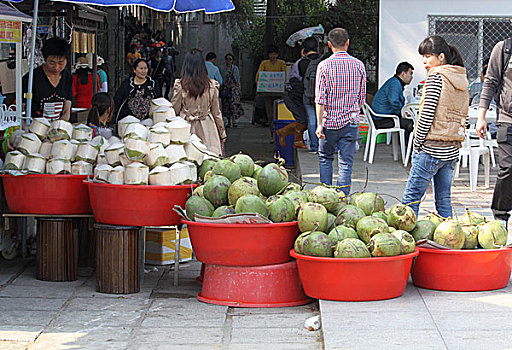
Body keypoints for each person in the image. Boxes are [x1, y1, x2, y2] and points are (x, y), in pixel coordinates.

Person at [402, 35, 469, 218]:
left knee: (410, 200)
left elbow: (426, 116)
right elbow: (464, 115)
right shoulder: (461, 79)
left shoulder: (436, 78)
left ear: (441, 57)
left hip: (431, 149)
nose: (424, 62)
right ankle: (448, 242)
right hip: (452, 150)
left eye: (428, 56)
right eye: (422, 57)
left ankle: (406, 243)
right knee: (444, 200)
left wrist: (417, 145)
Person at [315, 28, 366, 196]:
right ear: (348, 43)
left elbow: (320, 99)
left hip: (329, 122)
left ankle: (325, 199)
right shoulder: (359, 65)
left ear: (329, 45)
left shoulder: (324, 66)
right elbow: (361, 99)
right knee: (345, 164)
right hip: (350, 122)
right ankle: (342, 200)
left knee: (325, 158)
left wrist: (319, 124)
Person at [476, 37, 512, 228]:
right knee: (508, 168)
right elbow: (490, 82)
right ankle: (500, 215)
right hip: (508, 119)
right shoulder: (504, 49)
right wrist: (481, 116)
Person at [171, 49, 226, 156]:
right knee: (208, 161)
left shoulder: (180, 85)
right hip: (207, 127)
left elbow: (175, 110)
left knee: (187, 160)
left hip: (185, 127)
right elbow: (216, 112)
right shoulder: (212, 85)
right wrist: (222, 132)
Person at [280, 37, 323, 150]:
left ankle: (314, 146)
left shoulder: (301, 63)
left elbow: (291, 82)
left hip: (307, 96)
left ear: (303, 50)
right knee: (322, 120)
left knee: (311, 120)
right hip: (322, 95)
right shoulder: (323, 61)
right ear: (317, 49)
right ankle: (322, 145)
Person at [22, 37, 73, 121]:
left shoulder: (67, 78)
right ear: (45, 59)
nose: (56, 67)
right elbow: (22, 108)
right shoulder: (31, 78)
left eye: (61, 63)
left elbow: (67, 108)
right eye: (52, 62)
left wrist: (60, 127)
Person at [371, 62, 415, 143]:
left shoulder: (394, 82)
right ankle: (409, 152)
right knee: (412, 124)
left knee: (409, 123)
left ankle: (406, 151)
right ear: (403, 74)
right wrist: (402, 114)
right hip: (382, 119)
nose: (412, 77)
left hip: (381, 117)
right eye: (410, 74)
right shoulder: (395, 83)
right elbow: (394, 102)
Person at [255, 45, 287, 126]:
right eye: (271, 54)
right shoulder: (264, 63)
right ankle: (270, 120)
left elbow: (285, 75)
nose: (272, 56)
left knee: (278, 104)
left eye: (274, 54)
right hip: (267, 90)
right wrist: (259, 85)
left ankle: (277, 119)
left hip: (279, 89)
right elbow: (259, 75)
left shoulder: (281, 63)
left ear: (277, 55)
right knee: (268, 104)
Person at [220, 53, 244, 128]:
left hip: (234, 89)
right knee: (226, 105)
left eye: (230, 59)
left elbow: (237, 79)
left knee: (234, 105)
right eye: (227, 59)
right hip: (226, 89)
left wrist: (239, 89)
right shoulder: (222, 68)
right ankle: (229, 121)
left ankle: (234, 120)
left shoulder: (235, 68)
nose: (228, 61)